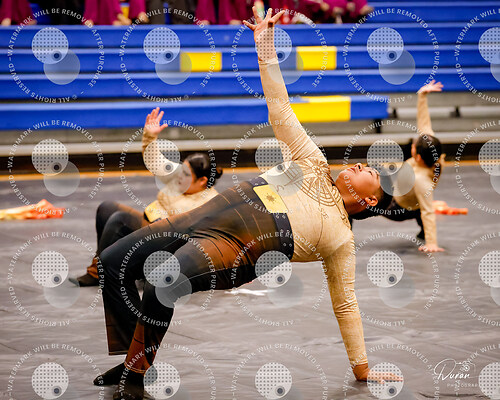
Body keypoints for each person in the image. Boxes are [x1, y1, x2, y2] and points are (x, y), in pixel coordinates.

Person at [95, 9, 398, 400]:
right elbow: (280, 109)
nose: (358, 165)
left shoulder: (341, 239)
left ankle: (136, 373)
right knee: (112, 262)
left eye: (368, 171)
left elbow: (346, 304)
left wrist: (362, 368)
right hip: (211, 212)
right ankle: (130, 359)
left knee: (162, 281)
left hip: (241, 245)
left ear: (371, 199)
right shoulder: (314, 161)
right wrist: (266, 50)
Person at [76, 108, 223, 286]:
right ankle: (98, 270)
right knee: (106, 208)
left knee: (120, 220)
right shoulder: (179, 177)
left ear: (202, 181)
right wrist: (150, 136)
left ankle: (105, 274)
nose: (179, 175)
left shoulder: (210, 202)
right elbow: (155, 161)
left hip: (166, 244)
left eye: (186, 174)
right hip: (152, 225)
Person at [382, 80, 445, 253]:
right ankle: (422, 231)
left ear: (418, 157)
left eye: (413, 147)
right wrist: (422, 96)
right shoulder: (434, 153)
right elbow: (424, 124)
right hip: (413, 198)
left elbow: (428, 212)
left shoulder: (421, 180)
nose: (412, 145)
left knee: (362, 201)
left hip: (398, 207)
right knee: (421, 200)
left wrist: (432, 243)